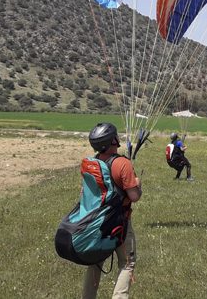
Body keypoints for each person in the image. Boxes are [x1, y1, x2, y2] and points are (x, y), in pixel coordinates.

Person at [83, 123, 142, 299]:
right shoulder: (122, 163)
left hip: (97, 222)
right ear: (113, 141)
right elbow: (134, 196)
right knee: (127, 263)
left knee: (95, 262)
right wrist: (138, 185)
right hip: (119, 223)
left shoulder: (92, 164)